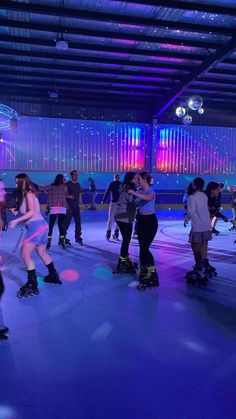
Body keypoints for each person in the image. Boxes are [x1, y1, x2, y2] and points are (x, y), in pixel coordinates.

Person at [9, 173, 61, 298]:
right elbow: (29, 210)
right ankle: (53, 276)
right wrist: (15, 211)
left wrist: (16, 221)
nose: (16, 185)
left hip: (36, 227)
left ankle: (32, 283)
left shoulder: (29, 193)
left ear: (24, 182)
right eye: (16, 182)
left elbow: (32, 212)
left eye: (18, 182)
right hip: (41, 227)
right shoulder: (27, 195)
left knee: (24, 254)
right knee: (42, 253)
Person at [128, 171, 159, 289]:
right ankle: (145, 271)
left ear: (145, 180)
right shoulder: (140, 191)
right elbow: (135, 204)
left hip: (150, 222)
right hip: (141, 220)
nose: (137, 181)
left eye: (139, 179)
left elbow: (147, 198)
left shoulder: (150, 192)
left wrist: (135, 193)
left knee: (145, 248)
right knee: (142, 249)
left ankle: (153, 274)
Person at [184, 177, 214, 285]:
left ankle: (199, 270)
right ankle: (202, 268)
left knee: (196, 251)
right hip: (206, 225)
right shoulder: (204, 195)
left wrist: (186, 220)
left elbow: (191, 212)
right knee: (203, 249)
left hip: (198, 226)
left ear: (194, 185)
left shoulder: (192, 197)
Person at [114, 172, 137, 274]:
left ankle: (124, 259)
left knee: (126, 240)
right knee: (126, 240)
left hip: (121, 216)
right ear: (131, 179)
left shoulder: (125, 187)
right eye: (135, 178)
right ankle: (122, 263)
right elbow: (133, 201)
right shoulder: (129, 189)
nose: (136, 180)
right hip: (124, 217)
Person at [40, 174, 68, 249]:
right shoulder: (64, 187)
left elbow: (42, 189)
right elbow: (66, 194)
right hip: (62, 207)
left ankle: (49, 240)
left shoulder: (52, 186)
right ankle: (62, 239)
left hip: (54, 207)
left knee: (51, 225)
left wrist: (42, 187)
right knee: (61, 225)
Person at [65, 170, 83, 245]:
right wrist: (68, 196)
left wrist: (81, 204)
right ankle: (63, 236)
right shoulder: (67, 184)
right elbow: (63, 194)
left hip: (76, 207)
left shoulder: (78, 185)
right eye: (75, 175)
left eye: (77, 175)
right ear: (71, 176)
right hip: (69, 206)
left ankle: (78, 237)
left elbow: (79, 195)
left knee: (78, 223)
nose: (76, 176)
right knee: (67, 222)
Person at [102, 173, 121, 241]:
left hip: (113, 203)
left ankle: (108, 233)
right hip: (120, 204)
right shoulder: (121, 184)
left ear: (114, 177)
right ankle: (116, 234)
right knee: (118, 219)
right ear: (118, 178)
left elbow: (107, 192)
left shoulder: (112, 183)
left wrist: (103, 200)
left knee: (110, 219)